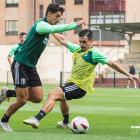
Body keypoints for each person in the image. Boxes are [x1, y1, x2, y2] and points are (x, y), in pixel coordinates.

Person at [23, 29, 140, 129]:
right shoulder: (77, 49)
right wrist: (51, 29)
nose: (82, 44)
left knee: (52, 94)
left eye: (84, 42)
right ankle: (65, 122)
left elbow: (112, 64)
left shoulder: (94, 53)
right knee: (62, 98)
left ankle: (37, 119)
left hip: (79, 86)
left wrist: (128, 74)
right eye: (80, 41)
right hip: (72, 83)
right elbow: (63, 40)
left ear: (91, 41)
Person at [0, 3, 86, 131]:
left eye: (60, 18)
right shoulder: (41, 25)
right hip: (21, 64)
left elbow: (57, 34)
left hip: (31, 67)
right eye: (57, 16)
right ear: (49, 14)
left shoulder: (48, 28)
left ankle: (7, 92)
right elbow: (54, 30)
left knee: (37, 97)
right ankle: (4, 120)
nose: (58, 20)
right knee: (22, 100)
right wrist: (75, 24)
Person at [0, 32, 27, 103]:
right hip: (17, 69)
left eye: (24, 37)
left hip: (25, 70)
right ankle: (17, 98)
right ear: (19, 38)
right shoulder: (16, 47)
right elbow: (9, 56)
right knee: (18, 86)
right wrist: (12, 66)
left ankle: (7, 92)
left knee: (25, 87)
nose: (23, 39)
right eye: (22, 37)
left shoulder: (27, 46)